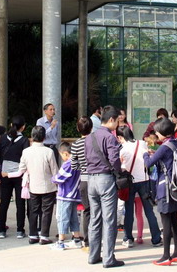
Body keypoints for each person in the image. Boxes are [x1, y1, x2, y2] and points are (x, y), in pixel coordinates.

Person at [84, 105, 124, 268]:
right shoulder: (110, 138)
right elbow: (114, 160)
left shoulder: (89, 137)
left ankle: (93, 256)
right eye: (117, 121)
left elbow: (86, 157)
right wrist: (119, 171)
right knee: (109, 220)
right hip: (105, 180)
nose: (118, 125)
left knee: (95, 219)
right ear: (111, 120)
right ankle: (108, 258)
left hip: (91, 180)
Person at [5, 126, 58, 245]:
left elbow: (21, 170)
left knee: (33, 210)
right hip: (48, 186)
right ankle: (44, 235)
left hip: (33, 186)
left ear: (32, 137)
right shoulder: (49, 152)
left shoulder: (26, 151)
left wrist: (8, 174)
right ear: (44, 137)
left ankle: (33, 235)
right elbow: (55, 171)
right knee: (46, 211)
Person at [143, 118, 177, 266]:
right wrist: (155, 153)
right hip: (175, 187)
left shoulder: (164, 147)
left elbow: (148, 163)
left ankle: (166, 256)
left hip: (164, 188)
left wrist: (146, 154)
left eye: (157, 132)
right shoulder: (175, 143)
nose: (156, 135)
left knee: (166, 223)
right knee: (174, 221)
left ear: (162, 132)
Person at [117, 125, 162, 248]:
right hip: (144, 181)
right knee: (149, 211)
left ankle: (128, 238)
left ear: (120, 137)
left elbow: (121, 166)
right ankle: (156, 238)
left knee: (129, 211)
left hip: (130, 182)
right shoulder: (142, 143)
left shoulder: (123, 149)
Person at [0, 116, 30, 239]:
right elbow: (26, 158)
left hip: (5, 173)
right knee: (20, 203)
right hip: (19, 173)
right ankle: (20, 230)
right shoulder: (24, 140)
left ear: (11, 125)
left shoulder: (3, 138)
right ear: (23, 127)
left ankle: (1, 230)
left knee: (4, 201)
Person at [51, 142, 83, 250]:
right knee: (74, 218)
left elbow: (59, 178)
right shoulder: (78, 162)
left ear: (65, 153)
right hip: (75, 194)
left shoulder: (68, 164)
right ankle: (77, 239)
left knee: (62, 218)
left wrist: (52, 178)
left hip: (65, 195)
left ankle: (61, 242)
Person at [71, 116, 93, 248]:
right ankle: (99, 238)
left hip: (84, 180)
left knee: (87, 211)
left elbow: (74, 165)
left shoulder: (76, 144)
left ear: (78, 129)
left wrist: (83, 167)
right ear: (91, 128)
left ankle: (87, 240)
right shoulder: (96, 141)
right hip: (98, 178)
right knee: (99, 210)